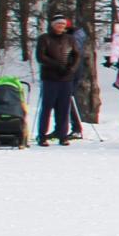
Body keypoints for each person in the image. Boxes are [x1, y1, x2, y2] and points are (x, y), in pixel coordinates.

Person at [34, 13, 80, 145]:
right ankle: (42, 135)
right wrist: (57, 65)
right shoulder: (44, 38)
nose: (61, 26)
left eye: (63, 24)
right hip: (50, 77)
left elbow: (76, 55)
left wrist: (72, 68)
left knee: (64, 108)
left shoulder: (70, 39)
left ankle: (63, 134)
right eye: (58, 24)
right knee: (47, 107)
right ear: (53, 25)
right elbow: (41, 57)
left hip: (66, 78)